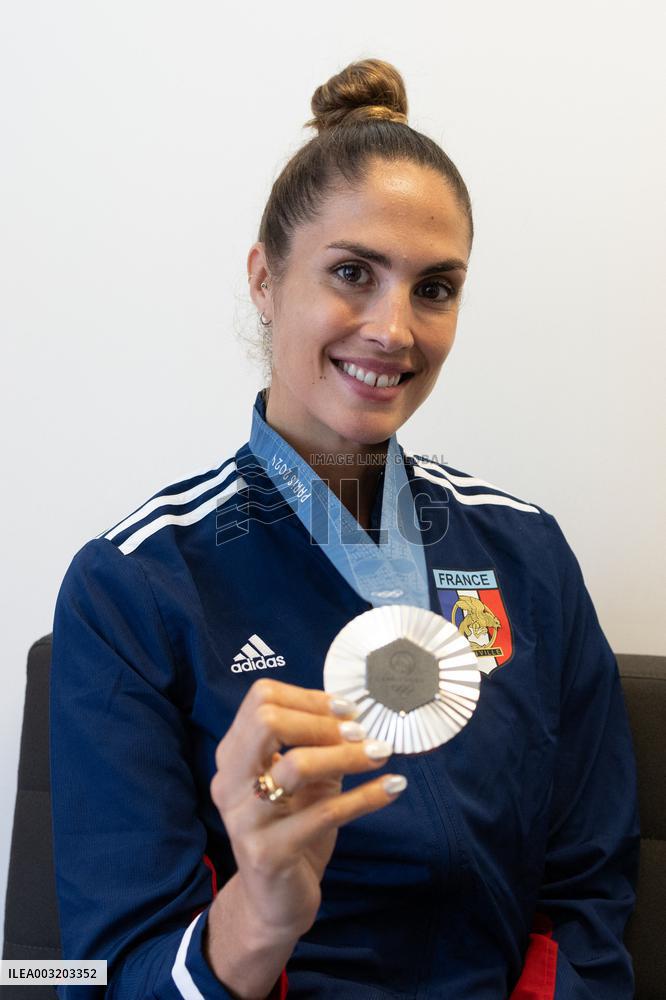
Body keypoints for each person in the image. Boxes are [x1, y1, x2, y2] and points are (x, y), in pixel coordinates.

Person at [50, 58, 639, 999]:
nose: (393, 329)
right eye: (352, 273)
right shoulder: (135, 586)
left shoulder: (525, 553)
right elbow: (107, 974)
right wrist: (258, 918)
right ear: (265, 279)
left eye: (434, 288)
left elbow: (587, 894)